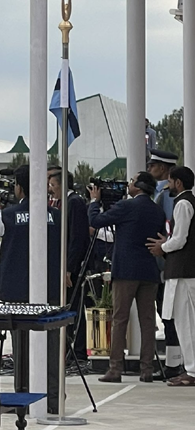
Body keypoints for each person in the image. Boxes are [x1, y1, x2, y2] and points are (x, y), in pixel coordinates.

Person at [0, 165, 62, 414]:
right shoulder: (55, 215)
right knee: (51, 347)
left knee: (22, 350)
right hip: (49, 289)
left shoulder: (9, 214)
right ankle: (52, 399)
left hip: (16, 290)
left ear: (19, 187)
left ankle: (24, 400)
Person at [88, 171, 165, 383]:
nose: (128, 184)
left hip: (126, 271)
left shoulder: (126, 206)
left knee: (120, 319)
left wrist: (95, 201)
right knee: (148, 321)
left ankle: (115, 369)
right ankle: (146, 369)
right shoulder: (157, 211)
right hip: (149, 271)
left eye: (131, 181)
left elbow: (96, 221)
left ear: (138, 187)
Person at [147, 165, 195, 387]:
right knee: (183, 321)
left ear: (179, 183)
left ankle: (192, 371)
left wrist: (162, 247)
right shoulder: (185, 202)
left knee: (186, 323)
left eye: (170, 181)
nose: (167, 186)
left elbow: (180, 239)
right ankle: (189, 368)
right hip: (183, 271)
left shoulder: (184, 204)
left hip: (184, 272)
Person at [48, 170, 91, 367]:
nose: (51, 190)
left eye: (53, 185)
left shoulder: (74, 202)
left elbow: (77, 238)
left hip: (72, 268)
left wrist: (69, 268)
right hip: (63, 264)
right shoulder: (63, 203)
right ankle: (67, 350)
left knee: (74, 308)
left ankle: (79, 352)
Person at [148, 148, 183, 378]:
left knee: (173, 317)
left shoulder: (170, 196)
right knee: (167, 314)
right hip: (162, 263)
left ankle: (176, 365)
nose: (150, 170)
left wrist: (165, 245)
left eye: (153, 165)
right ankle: (173, 364)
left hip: (168, 261)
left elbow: (172, 226)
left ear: (163, 168)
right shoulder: (160, 192)